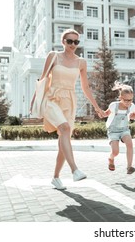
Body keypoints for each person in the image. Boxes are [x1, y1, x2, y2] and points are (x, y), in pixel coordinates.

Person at [30, 29, 105, 190]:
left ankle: (56, 177)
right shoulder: (53, 56)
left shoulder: (81, 62)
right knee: (64, 128)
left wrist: (97, 107)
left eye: (76, 42)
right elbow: (42, 79)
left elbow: (85, 88)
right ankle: (74, 170)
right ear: (63, 41)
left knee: (64, 141)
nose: (73, 45)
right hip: (52, 99)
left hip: (69, 102)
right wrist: (34, 100)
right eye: (69, 41)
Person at [103, 81, 135, 174]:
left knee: (129, 144)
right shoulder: (114, 105)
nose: (128, 102)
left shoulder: (132, 106)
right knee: (115, 152)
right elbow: (105, 114)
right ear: (120, 98)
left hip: (124, 129)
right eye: (125, 100)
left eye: (130, 100)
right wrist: (100, 112)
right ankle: (111, 158)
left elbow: (132, 117)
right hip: (113, 131)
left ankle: (129, 167)